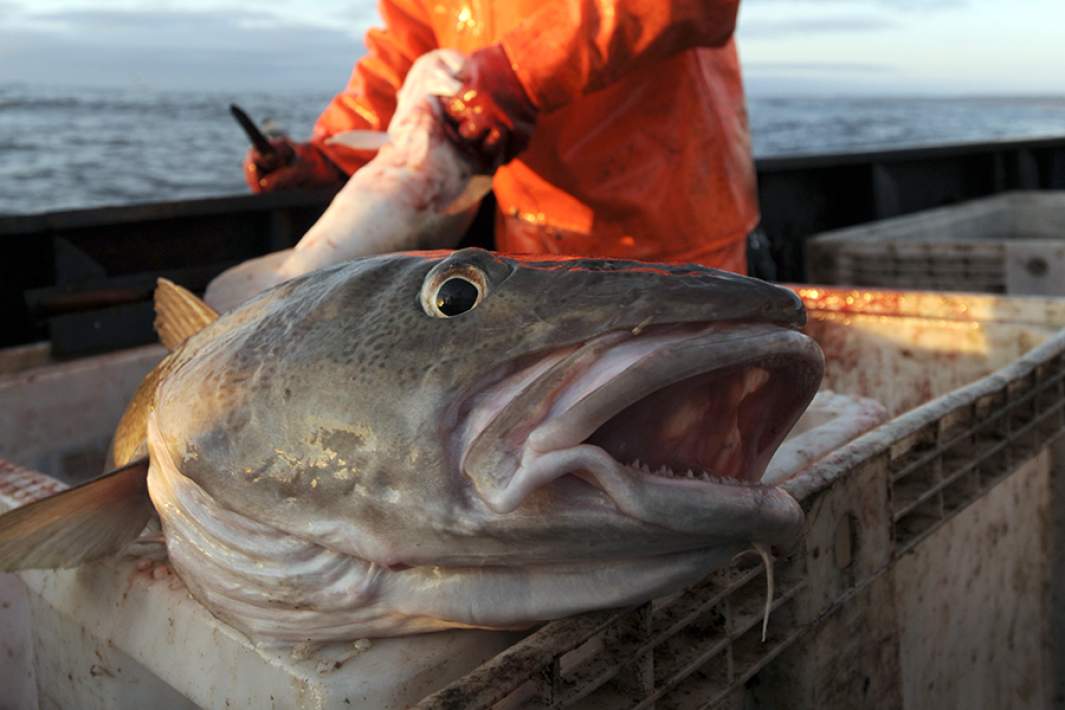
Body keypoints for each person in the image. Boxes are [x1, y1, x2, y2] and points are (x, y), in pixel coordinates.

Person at [244, 1, 759, 274]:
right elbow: (406, 46)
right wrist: (335, 150)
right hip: (530, 242)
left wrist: (521, 72)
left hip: (667, 225)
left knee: (676, 427)